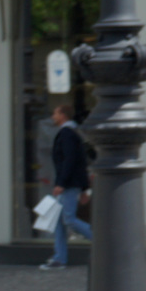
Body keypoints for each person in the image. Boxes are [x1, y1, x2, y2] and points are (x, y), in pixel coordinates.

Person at [40, 104, 92, 270]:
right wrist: (84, 188)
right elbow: (80, 162)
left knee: (68, 219)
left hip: (68, 184)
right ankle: (59, 259)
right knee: (59, 222)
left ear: (62, 115)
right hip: (72, 183)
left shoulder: (67, 134)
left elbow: (69, 161)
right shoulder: (73, 133)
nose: (53, 116)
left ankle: (103, 243)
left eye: (55, 113)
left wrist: (61, 183)